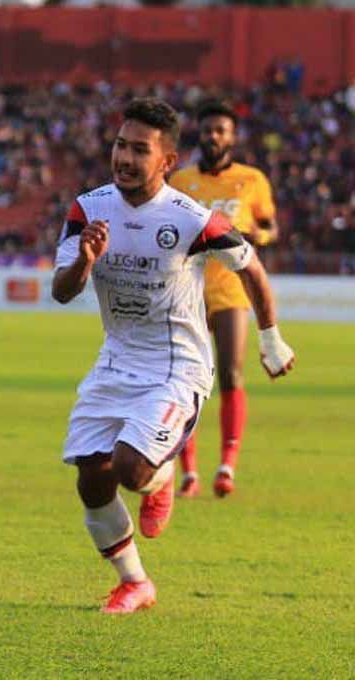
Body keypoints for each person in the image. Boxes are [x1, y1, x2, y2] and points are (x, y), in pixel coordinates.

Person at [51, 99, 295, 614]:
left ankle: (161, 478)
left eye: (140, 150)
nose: (125, 157)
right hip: (115, 362)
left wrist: (272, 339)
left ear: (166, 162)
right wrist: (86, 262)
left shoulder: (191, 219)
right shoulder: (88, 209)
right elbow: (62, 290)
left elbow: (251, 267)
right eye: (121, 145)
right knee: (91, 479)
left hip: (176, 367)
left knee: (131, 469)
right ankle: (135, 582)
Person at [167, 101, 280, 498]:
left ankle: (226, 466)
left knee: (231, 374)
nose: (214, 135)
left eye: (221, 130)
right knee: (186, 379)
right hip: (188, 292)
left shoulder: (251, 180)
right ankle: (189, 472)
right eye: (208, 129)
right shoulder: (180, 182)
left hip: (232, 288)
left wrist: (255, 236)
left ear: (232, 136)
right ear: (199, 133)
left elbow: (269, 227)